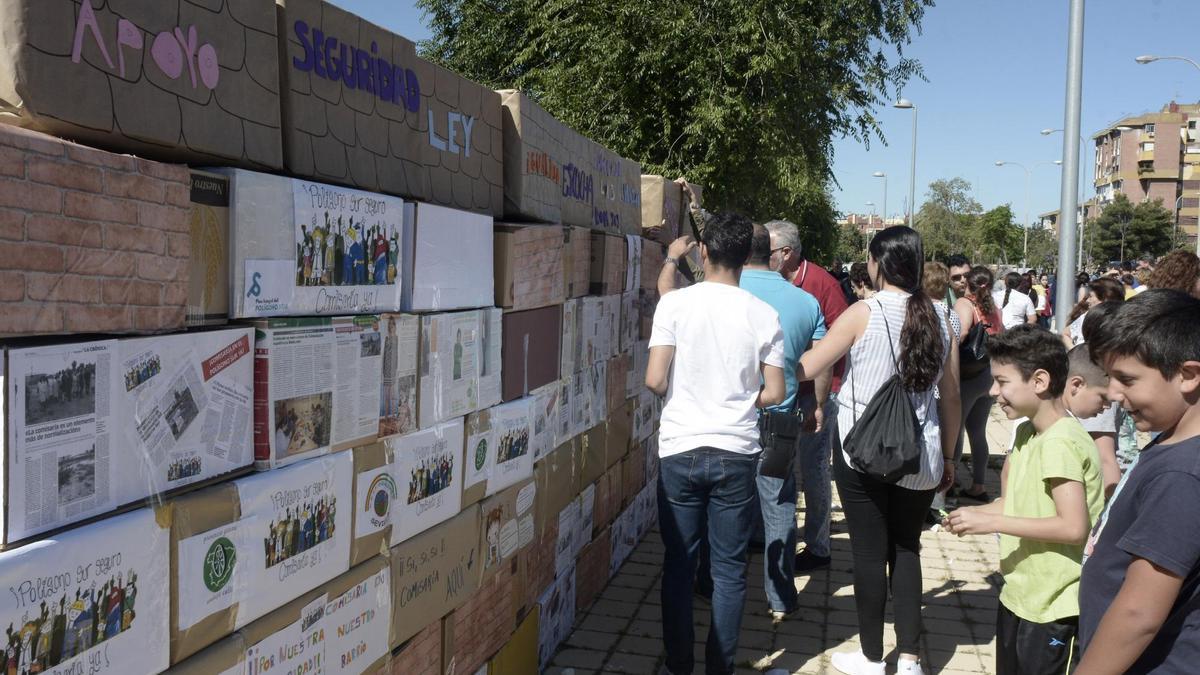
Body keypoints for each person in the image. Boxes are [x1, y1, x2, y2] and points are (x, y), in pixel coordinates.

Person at [796, 226, 961, 675]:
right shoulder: (943, 318)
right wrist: (948, 458)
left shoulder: (861, 312)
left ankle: (870, 657)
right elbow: (951, 396)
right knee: (907, 548)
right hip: (922, 454)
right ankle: (909, 658)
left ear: (878, 263)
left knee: (869, 554)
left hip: (861, 450)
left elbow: (810, 365)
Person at [646, 212, 786, 675]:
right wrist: (742, 396)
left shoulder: (674, 306)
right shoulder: (764, 314)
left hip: (680, 447)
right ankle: (718, 667)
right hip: (736, 450)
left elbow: (655, 379)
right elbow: (776, 392)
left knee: (679, 565)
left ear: (703, 252)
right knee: (728, 571)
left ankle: (677, 665)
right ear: (747, 256)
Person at [672, 224, 830, 622]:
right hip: (778, 421)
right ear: (775, 256)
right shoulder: (804, 302)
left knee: (716, 508)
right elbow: (821, 361)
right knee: (778, 506)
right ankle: (780, 596)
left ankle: (708, 584)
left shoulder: (723, 296)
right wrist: (817, 404)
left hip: (722, 420)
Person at [945, 325, 1104, 675]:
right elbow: (1017, 503)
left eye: (1002, 382)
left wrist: (992, 522)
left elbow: (1073, 526)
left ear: (1040, 381)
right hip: (1020, 594)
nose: (992, 391)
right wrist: (971, 515)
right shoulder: (1028, 432)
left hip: (1054, 607)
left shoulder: (1061, 442)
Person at [1074, 290, 1200, 673]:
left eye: (1126, 379)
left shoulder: (1182, 475)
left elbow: (1138, 613)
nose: (1113, 393)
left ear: (1188, 375)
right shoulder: (1173, 441)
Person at [769, 219, 851, 573]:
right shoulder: (774, 281)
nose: (762, 257)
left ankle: (818, 546)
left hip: (818, 390)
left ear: (786, 253)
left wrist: (821, 396)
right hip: (782, 388)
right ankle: (776, 539)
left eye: (768, 252)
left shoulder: (821, 283)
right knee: (778, 466)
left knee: (814, 469)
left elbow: (842, 335)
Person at [952, 266, 1004, 503]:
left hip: (968, 376)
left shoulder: (965, 305)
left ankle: (949, 482)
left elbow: (961, 334)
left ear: (968, 284)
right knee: (977, 431)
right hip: (988, 374)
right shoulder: (994, 308)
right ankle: (979, 484)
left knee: (954, 429)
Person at [1062, 277, 1125, 347]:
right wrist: (1076, 353)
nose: (1087, 300)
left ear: (1105, 298)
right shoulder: (1086, 316)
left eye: (1091, 296)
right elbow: (1065, 334)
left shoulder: (1123, 323)